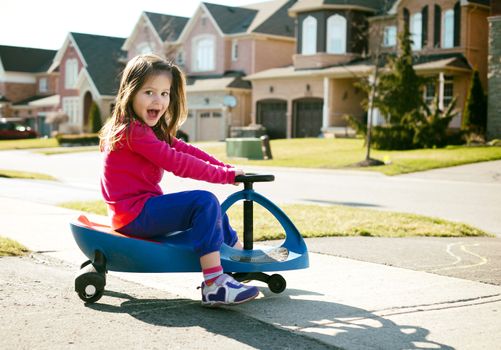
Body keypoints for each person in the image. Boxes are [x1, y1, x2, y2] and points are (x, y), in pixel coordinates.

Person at [99, 54, 259, 306]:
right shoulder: (133, 131)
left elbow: (186, 151)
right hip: (134, 214)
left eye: (165, 93)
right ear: (130, 93)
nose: (158, 100)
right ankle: (214, 283)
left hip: (138, 210)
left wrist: (227, 168)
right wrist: (225, 176)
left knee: (214, 210)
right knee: (203, 202)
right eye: (149, 92)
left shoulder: (146, 129)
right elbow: (177, 162)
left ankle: (238, 258)